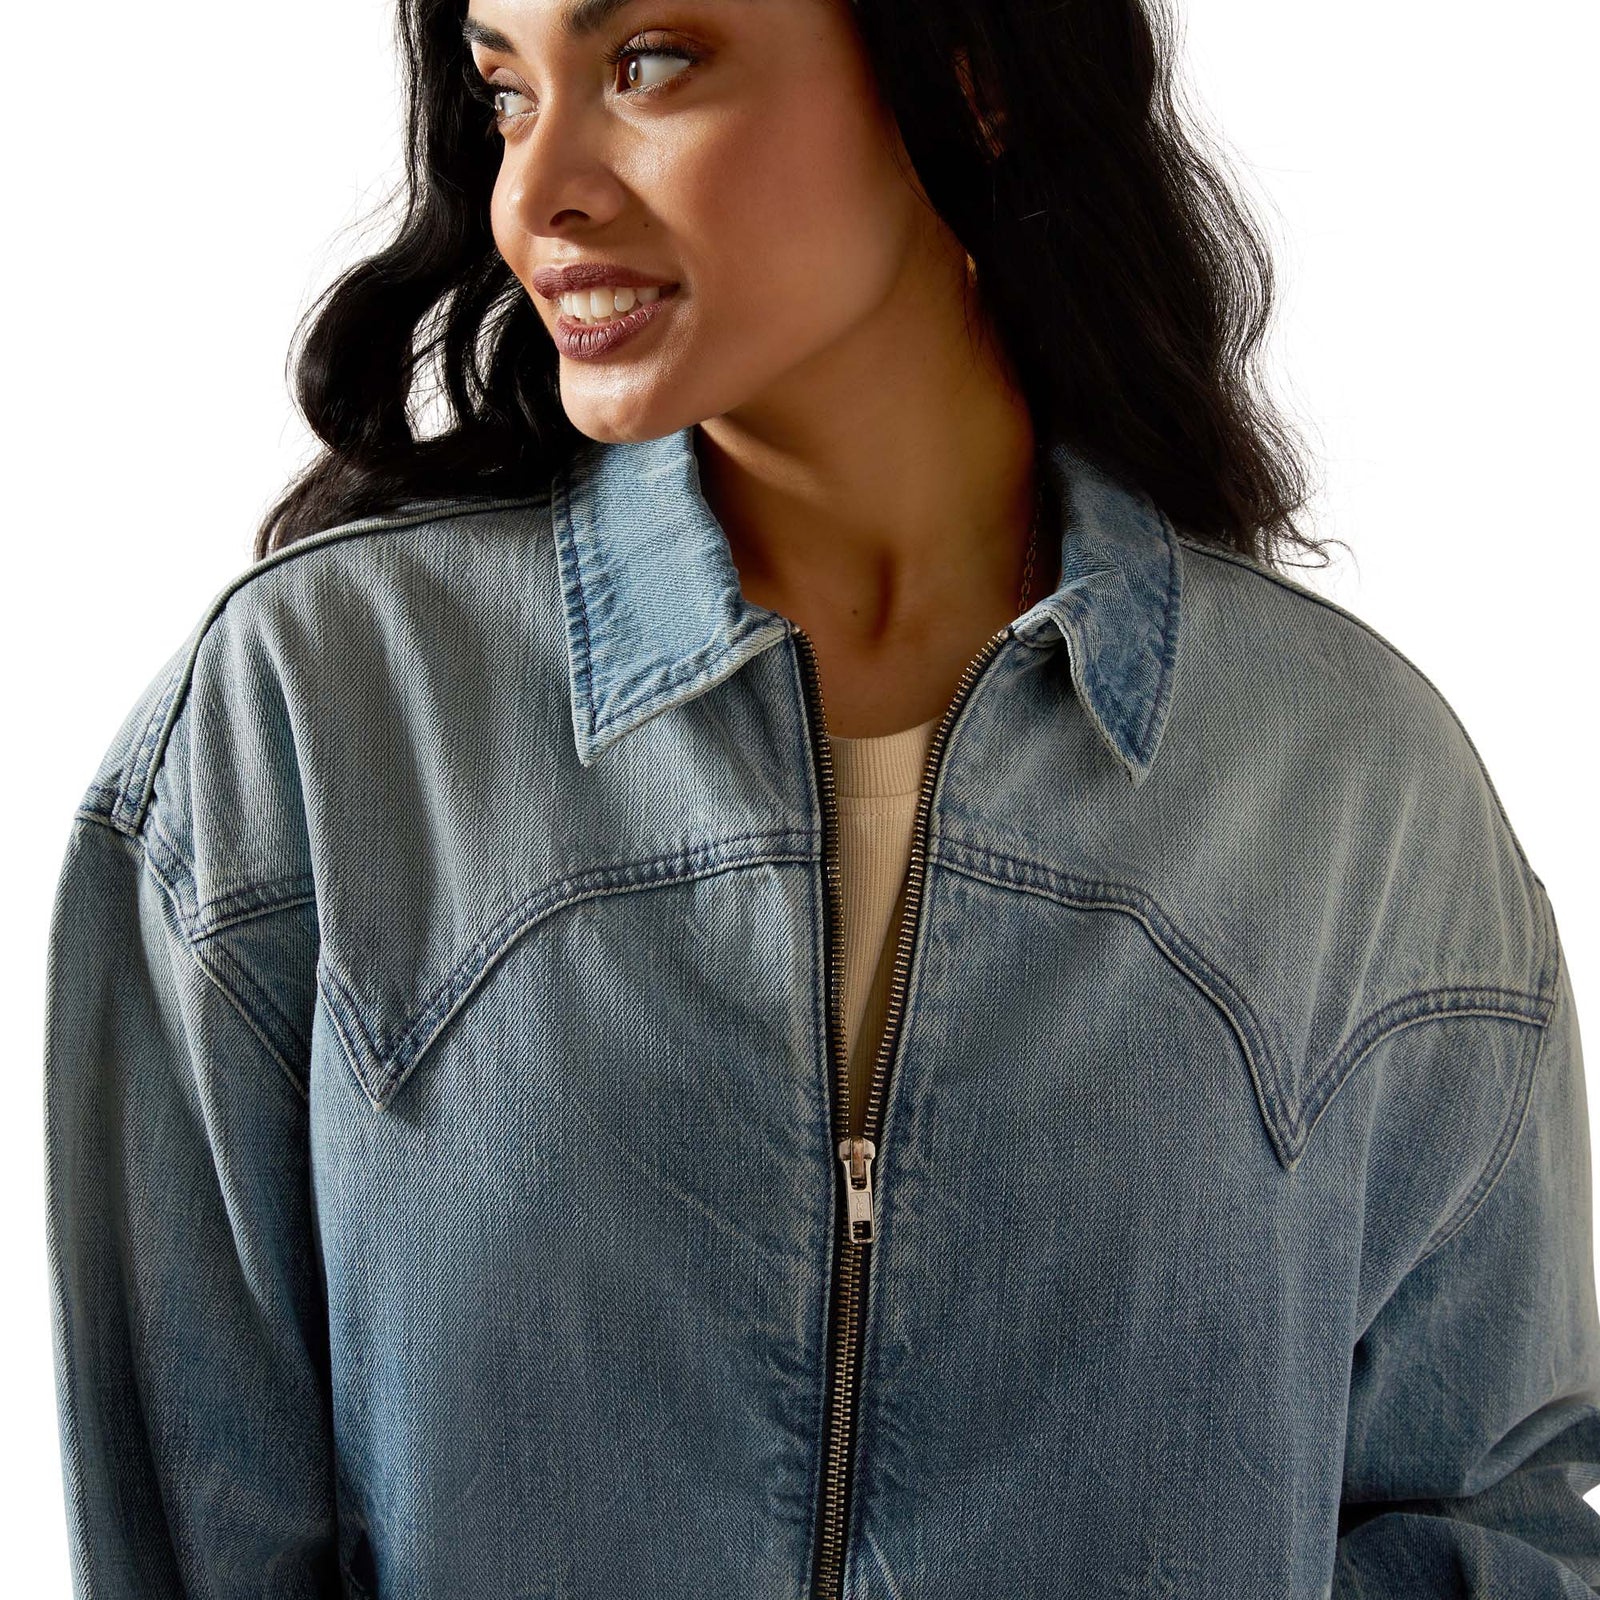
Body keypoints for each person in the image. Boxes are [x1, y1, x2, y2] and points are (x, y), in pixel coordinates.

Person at [40, 0, 1600, 1594]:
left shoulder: (1354, 791)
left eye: (648, 64)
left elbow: (1485, 1522)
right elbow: (190, 1527)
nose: (537, 192)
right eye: (505, 94)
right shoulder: (316, 722)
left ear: (972, 75)